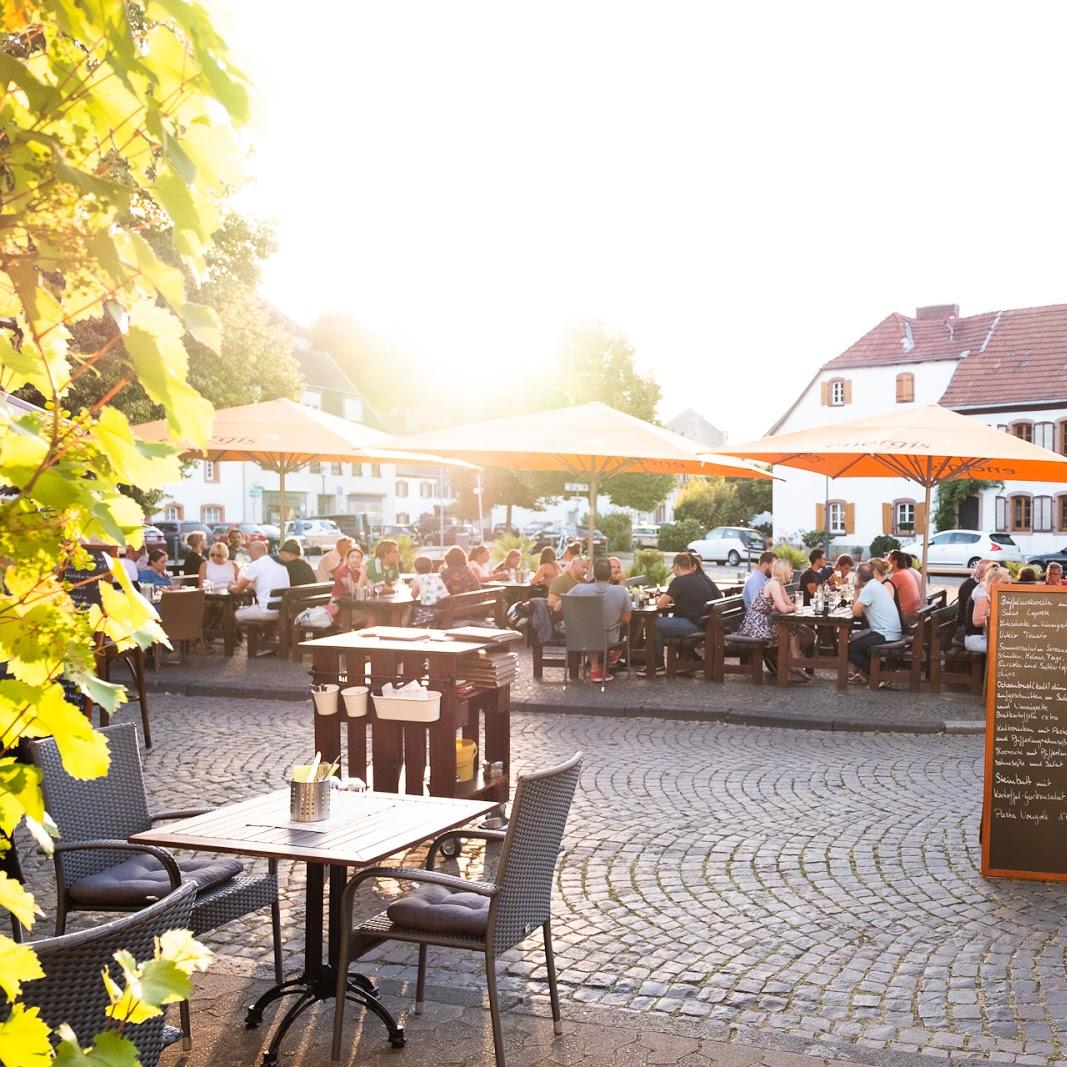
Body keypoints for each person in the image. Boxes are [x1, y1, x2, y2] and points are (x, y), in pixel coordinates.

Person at [737, 558, 810, 679]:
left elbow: (788, 604)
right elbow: (783, 608)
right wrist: (792, 607)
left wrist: (791, 606)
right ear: (784, 571)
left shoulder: (778, 583)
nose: (792, 574)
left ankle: (794, 663)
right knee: (788, 630)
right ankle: (791, 665)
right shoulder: (774, 584)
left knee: (793, 627)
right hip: (757, 625)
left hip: (763, 621)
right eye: (790, 571)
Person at [568, 557, 631, 682]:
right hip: (608, 637)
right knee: (604, 630)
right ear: (609, 574)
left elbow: (560, 605)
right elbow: (627, 618)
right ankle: (607, 661)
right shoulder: (621, 591)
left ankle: (595, 669)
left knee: (592, 630)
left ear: (594, 574)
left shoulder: (579, 588)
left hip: (581, 637)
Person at [653, 553, 718, 668]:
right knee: (670, 620)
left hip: (693, 625)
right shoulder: (699, 578)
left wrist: (659, 599)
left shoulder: (679, 581)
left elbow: (660, 604)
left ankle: (657, 663)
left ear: (677, 567)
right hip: (704, 624)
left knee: (653, 623)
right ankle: (686, 657)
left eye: (673, 567)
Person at [848, 562, 903, 684]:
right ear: (873, 573)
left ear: (858, 577)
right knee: (856, 641)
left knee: (849, 649)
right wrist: (857, 589)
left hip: (885, 634)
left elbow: (856, 612)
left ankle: (881, 673)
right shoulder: (877, 585)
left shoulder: (870, 588)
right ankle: (873, 673)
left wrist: (856, 589)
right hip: (891, 631)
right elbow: (858, 611)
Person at [231, 541, 289, 624]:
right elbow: (263, 584)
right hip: (282, 611)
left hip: (266, 611)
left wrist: (230, 587)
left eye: (250, 553)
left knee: (236, 614)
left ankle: (249, 636)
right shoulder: (279, 564)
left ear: (253, 552)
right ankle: (265, 636)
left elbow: (238, 589)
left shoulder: (256, 564)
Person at [965, 566, 1011, 652]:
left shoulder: (992, 591)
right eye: (1005, 582)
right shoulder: (982, 594)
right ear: (994, 579)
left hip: (988, 636)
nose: (1008, 585)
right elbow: (977, 621)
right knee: (1006, 649)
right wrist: (999, 617)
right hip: (976, 638)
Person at [956, 559, 993, 646]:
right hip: (967, 631)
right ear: (985, 573)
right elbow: (977, 619)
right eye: (992, 572)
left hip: (976, 630)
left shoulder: (982, 585)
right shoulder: (972, 587)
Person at [326, 547, 369, 620]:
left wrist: (364, 574)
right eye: (352, 557)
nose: (355, 559)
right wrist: (363, 574)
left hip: (351, 606)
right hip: (340, 609)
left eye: (358, 557)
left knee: (380, 614)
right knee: (373, 616)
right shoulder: (342, 572)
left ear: (361, 560)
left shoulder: (358, 572)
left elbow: (369, 588)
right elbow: (354, 592)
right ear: (347, 559)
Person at [411, 555, 450, 626]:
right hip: (443, 609)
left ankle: (402, 630)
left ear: (416, 569)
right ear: (431, 567)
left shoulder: (418, 579)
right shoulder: (437, 577)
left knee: (408, 610)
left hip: (429, 611)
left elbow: (413, 596)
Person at [887, 550, 922, 622]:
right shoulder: (906, 572)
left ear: (895, 562)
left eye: (888, 559)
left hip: (905, 615)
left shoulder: (898, 575)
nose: (886, 562)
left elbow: (885, 596)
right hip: (914, 612)